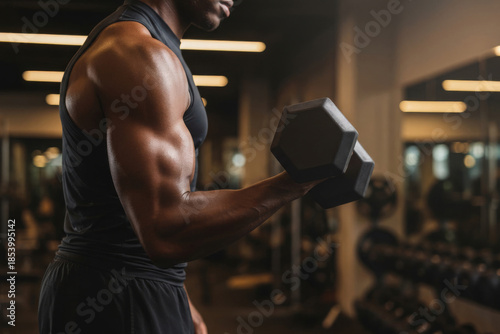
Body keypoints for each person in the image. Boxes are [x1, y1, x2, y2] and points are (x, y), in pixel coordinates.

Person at [38, 0, 322, 333]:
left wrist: (179, 297)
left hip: (129, 284)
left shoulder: (146, 47)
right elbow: (164, 228)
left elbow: (136, 215)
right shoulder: (139, 55)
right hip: (116, 296)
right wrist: (291, 184)